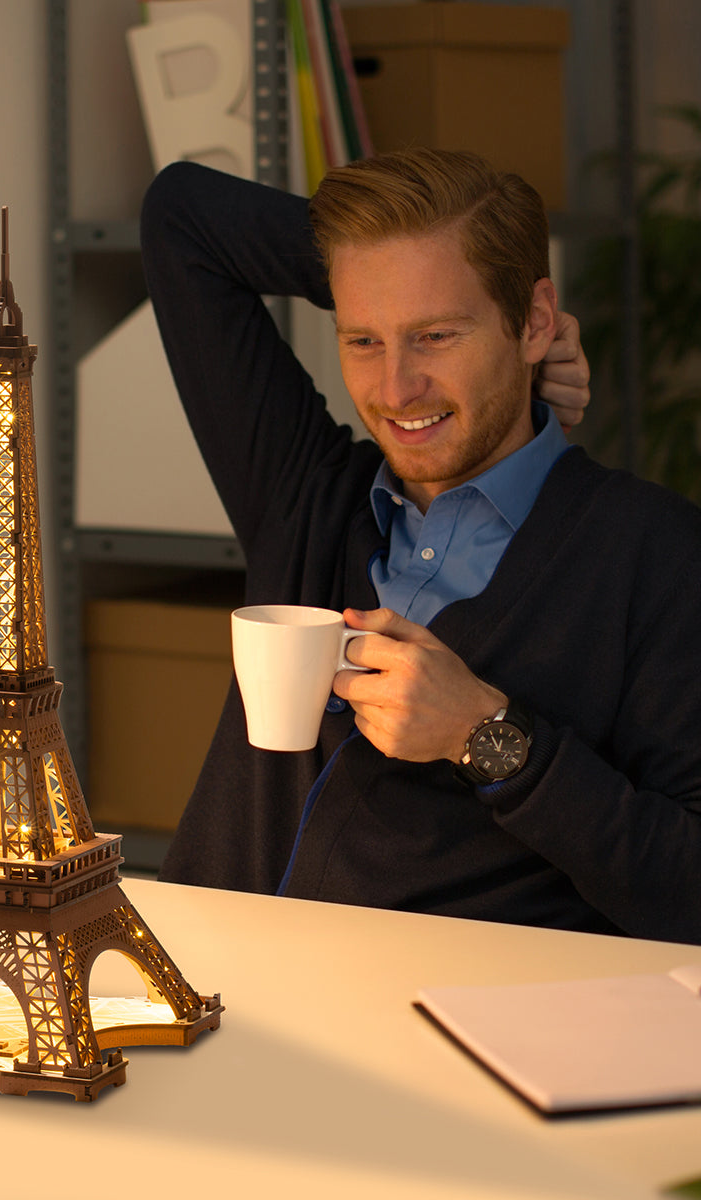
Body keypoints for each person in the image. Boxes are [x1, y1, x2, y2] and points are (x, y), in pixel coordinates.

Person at [141, 150, 701, 945]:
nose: (396, 389)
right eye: (363, 339)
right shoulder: (303, 494)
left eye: (436, 335)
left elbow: (689, 889)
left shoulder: (659, 556)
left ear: (537, 320)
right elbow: (182, 217)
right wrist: (372, 267)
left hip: (434, 1049)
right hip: (208, 1006)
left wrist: (487, 737)